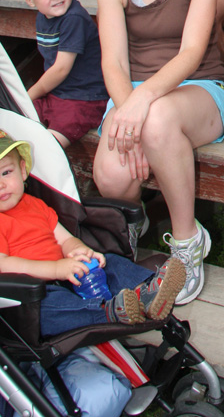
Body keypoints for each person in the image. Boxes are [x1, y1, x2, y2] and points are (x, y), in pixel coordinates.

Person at [92, 0, 224, 304]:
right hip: (132, 93)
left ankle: (189, 243)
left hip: (198, 88)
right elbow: (113, 61)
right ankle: (131, 227)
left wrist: (138, 109)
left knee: (155, 121)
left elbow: (192, 51)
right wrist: (127, 111)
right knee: (111, 176)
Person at [0, 130, 186, 335]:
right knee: (47, 309)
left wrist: (79, 251)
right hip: (30, 294)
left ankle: (148, 293)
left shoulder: (35, 205)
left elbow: (64, 239)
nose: (1, 185)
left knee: (109, 262)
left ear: (23, 170)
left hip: (69, 274)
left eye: (5, 173)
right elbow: (5, 264)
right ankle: (107, 314)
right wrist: (55, 269)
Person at [17, 0, 108, 149]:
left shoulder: (74, 18)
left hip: (84, 99)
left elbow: (61, 69)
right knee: (17, 122)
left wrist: (29, 95)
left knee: (47, 146)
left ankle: (43, 176)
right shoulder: (44, 16)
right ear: (30, 0)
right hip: (57, 94)